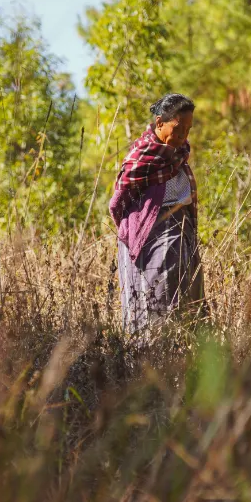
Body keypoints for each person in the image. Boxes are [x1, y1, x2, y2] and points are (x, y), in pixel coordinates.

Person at [109, 93, 205, 342]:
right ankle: (151, 356)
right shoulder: (142, 156)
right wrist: (135, 229)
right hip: (152, 235)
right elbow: (118, 201)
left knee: (187, 294)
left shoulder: (179, 153)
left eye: (188, 128)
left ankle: (185, 356)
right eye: (178, 127)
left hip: (181, 231)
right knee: (157, 296)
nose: (184, 134)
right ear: (160, 123)